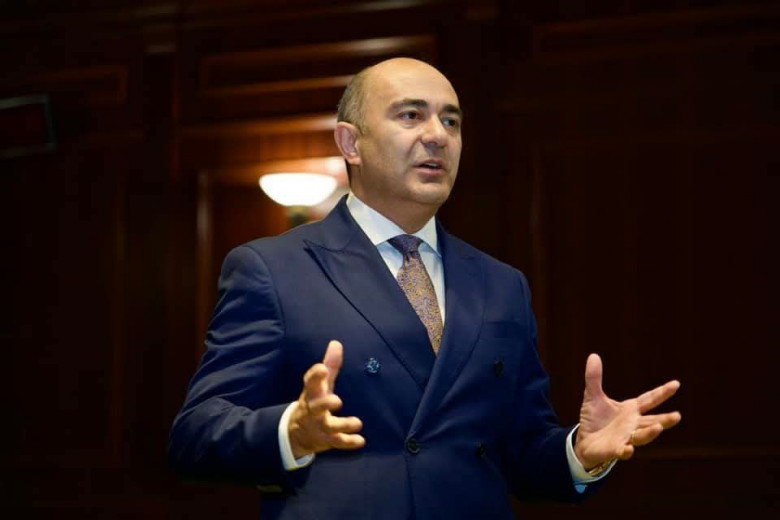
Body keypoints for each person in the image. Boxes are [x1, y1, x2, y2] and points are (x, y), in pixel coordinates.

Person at [168, 58, 681, 519]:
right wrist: (290, 432)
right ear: (350, 144)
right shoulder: (274, 268)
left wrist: (579, 453)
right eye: (411, 115)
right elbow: (196, 434)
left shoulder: (501, 284)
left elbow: (519, 451)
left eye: (451, 121)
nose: (437, 135)